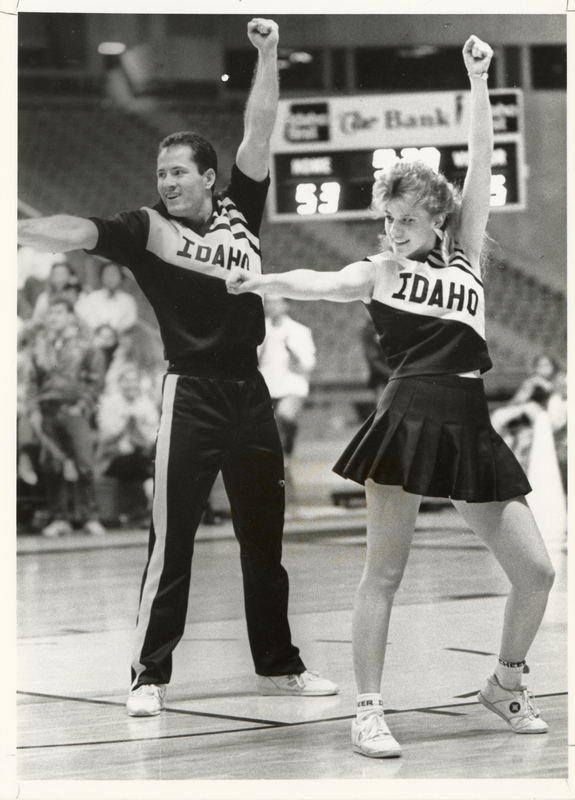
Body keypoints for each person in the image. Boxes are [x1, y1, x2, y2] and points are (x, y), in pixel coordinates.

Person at [227, 36, 556, 757]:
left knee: (536, 570)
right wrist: (260, 282)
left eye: (405, 220)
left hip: (470, 423)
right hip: (405, 420)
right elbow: (319, 282)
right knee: (385, 572)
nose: (393, 230)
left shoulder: (466, 251)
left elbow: (477, 156)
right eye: (387, 220)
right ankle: (367, 710)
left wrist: (478, 78)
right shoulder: (378, 270)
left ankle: (504, 682)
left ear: (435, 218)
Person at [18, 18, 338, 716]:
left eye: (178, 172)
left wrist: (268, 54)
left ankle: (279, 666)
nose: (166, 182)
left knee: (265, 540)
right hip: (189, 394)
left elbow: (259, 133)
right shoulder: (144, 229)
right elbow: (78, 230)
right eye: (160, 173)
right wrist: (19, 228)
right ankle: (148, 675)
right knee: (173, 542)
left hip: (249, 394)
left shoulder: (240, 219)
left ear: (208, 179)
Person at [25, 295, 107, 537]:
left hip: (74, 409)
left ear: (71, 316)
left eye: (60, 313)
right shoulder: (41, 346)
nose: (54, 318)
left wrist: (82, 406)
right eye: (51, 313)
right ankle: (60, 517)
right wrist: (33, 409)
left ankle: (89, 516)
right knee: (53, 464)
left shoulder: (86, 345)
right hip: (47, 410)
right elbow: (32, 380)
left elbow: (96, 380)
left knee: (83, 462)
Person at [258, 296, 316, 503]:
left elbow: (308, 365)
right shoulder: (258, 331)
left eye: (277, 302)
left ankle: (285, 459)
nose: (272, 307)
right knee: (266, 434)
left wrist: (292, 351)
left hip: (292, 386)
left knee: (284, 418)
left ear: (286, 305)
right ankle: (280, 465)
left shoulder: (299, 331)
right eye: (269, 302)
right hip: (266, 388)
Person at [76, 260, 138, 333]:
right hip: (96, 335)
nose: (110, 278)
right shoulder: (93, 297)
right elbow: (85, 315)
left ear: (121, 277)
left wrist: (114, 331)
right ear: (101, 276)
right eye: (107, 274)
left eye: (114, 274)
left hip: (119, 337)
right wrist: (100, 329)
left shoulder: (128, 300)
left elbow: (130, 320)